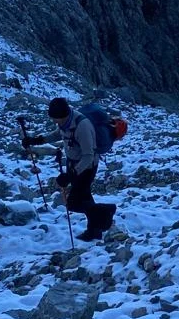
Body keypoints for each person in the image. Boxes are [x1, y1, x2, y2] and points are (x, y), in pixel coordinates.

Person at [21, 97, 116, 240]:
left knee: (73, 203)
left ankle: (106, 211)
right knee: (85, 198)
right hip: (74, 164)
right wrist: (37, 140)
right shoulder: (66, 121)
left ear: (63, 115)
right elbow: (57, 134)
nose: (54, 122)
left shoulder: (82, 126)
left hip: (86, 167)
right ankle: (94, 231)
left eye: (55, 119)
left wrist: (72, 175)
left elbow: (88, 155)